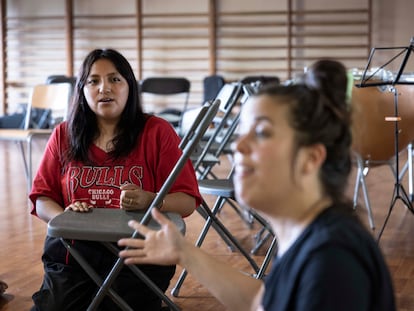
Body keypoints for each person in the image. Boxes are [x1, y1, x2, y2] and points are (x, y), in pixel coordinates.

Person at [118, 60, 396, 310]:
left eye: (262, 132)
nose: (238, 146)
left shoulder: (332, 262)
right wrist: (183, 252)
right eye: (241, 132)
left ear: (311, 158)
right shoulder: (308, 236)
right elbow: (262, 300)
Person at [29, 48, 202, 311]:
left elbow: (187, 202)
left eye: (114, 79)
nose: (104, 88)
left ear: (130, 86)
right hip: (73, 253)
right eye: (93, 81)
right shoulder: (63, 134)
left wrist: (151, 200)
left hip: (140, 252)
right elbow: (42, 198)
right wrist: (65, 217)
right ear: (82, 89)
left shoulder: (158, 132)